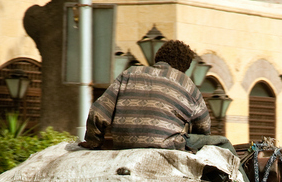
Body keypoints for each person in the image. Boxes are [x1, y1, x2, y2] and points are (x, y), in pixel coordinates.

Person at [80, 40, 213, 151]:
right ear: (184, 67)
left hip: (123, 146)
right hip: (166, 147)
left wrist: (94, 142)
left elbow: (98, 112)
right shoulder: (187, 84)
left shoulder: (129, 73)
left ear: (158, 58)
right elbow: (204, 126)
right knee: (222, 142)